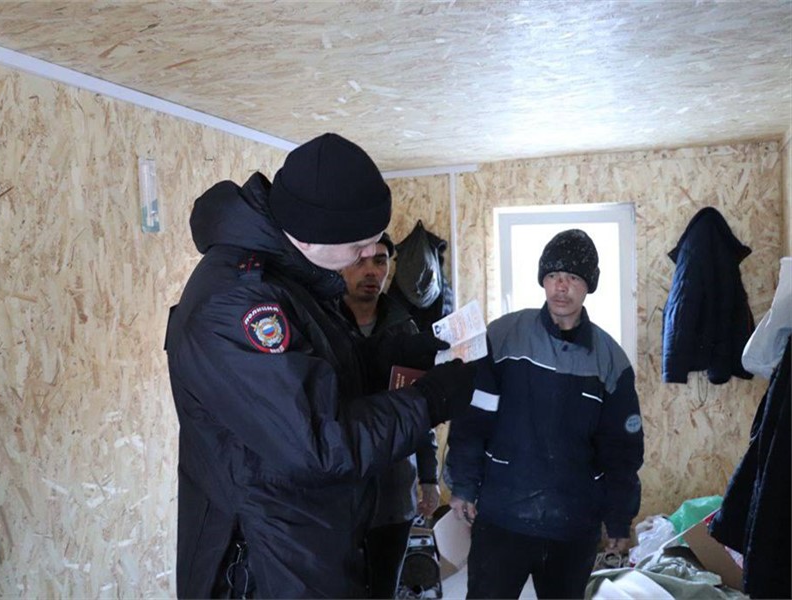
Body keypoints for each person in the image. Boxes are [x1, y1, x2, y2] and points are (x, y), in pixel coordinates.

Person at [164, 132, 477, 599]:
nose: (368, 256)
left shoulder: (291, 275)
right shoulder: (237, 302)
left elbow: (318, 376)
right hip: (263, 564)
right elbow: (319, 441)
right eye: (359, 245)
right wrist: (430, 400)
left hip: (306, 540)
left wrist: (399, 358)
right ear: (313, 236)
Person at [445, 229, 645, 599]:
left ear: (589, 285)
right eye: (553, 275)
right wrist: (463, 485)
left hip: (573, 526)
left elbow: (621, 450)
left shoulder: (610, 360)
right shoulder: (503, 337)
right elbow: (472, 419)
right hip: (503, 517)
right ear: (543, 280)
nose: (561, 287)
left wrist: (619, 519)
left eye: (573, 277)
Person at [339, 233, 441, 598]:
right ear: (341, 266)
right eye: (360, 261)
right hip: (339, 491)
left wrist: (428, 478)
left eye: (380, 261)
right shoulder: (322, 324)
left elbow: (420, 409)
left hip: (393, 492)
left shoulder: (404, 329)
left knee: (384, 589)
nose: (371, 271)